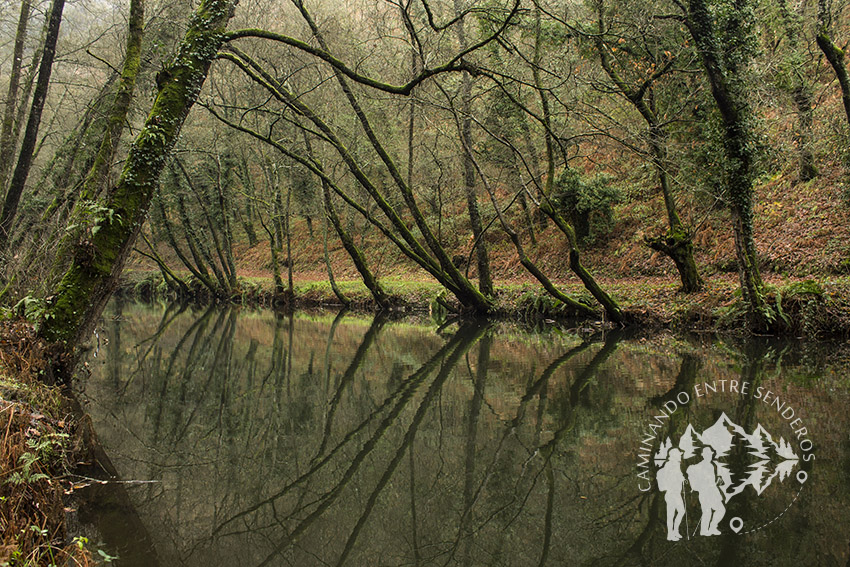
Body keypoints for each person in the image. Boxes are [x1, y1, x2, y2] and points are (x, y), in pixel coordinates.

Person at [687, 446, 725, 536]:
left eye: (710, 454)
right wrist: (716, 481)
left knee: (719, 510)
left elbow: (711, 481)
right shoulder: (702, 466)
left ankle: (711, 528)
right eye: (707, 454)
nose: (709, 456)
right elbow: (706, 481)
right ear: (703, 455)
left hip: (712, 492)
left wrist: (717, 480)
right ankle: (705, 530)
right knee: (708, 512)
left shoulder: (711, 465)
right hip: (706, 493)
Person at [657, 448, 686, 541]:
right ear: (674, 456)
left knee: (680, 512)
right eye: (679, 454)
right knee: (672, 514)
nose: (680, 456)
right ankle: (670, 534)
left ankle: (675, 531)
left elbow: (679, 476)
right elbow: (672, 477)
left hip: (676, 493)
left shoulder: (676, 465)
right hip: (672, 493)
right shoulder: (670, 465)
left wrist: (683, 479)